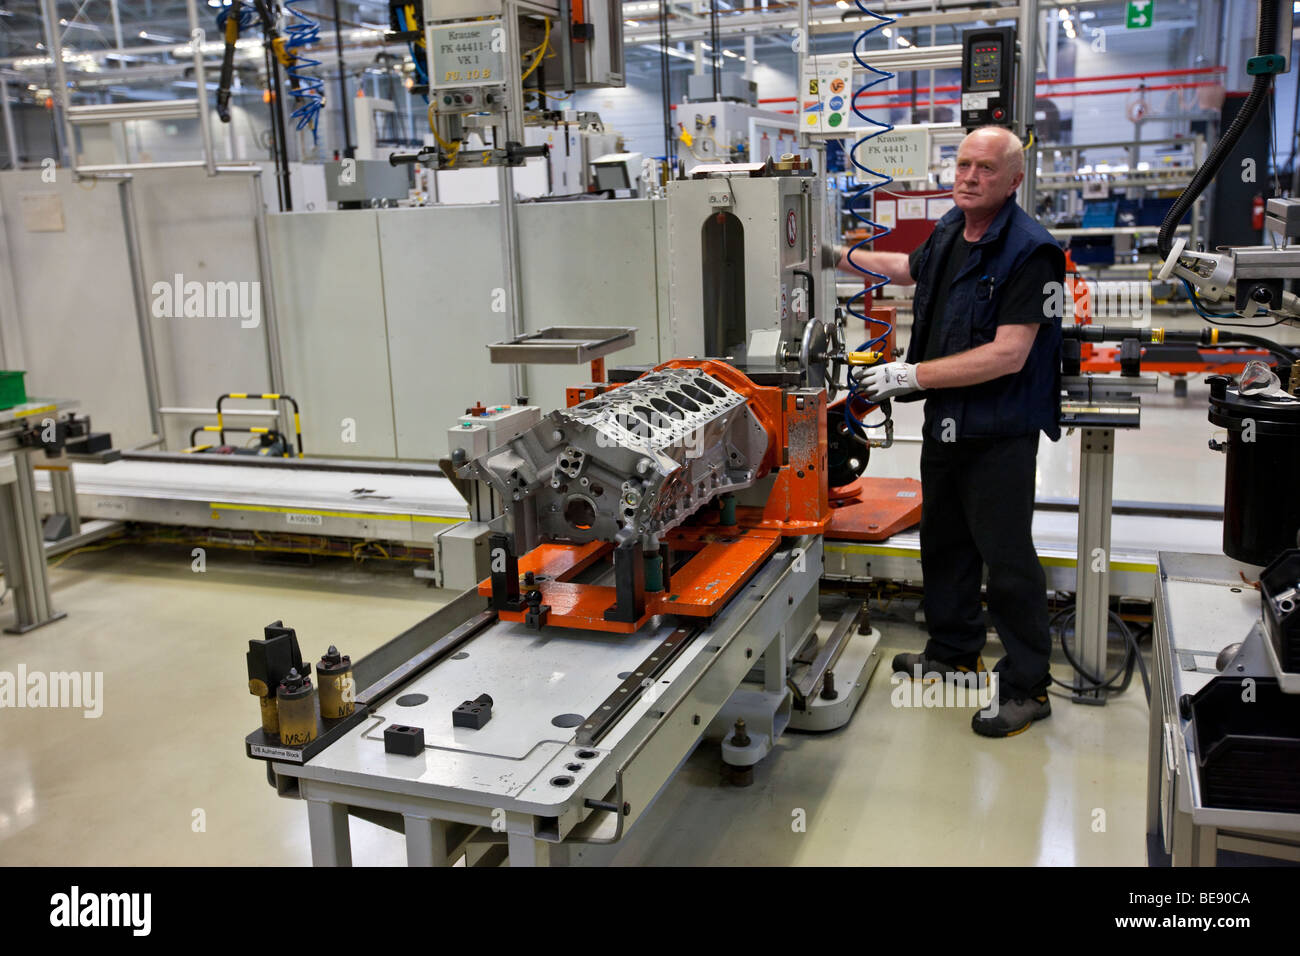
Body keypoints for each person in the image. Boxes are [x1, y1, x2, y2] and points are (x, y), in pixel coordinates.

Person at [831, 125, 1065, 738]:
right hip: (949, 424)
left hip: (1000, 431)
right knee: (945, 544)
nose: (968, 176)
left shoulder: (1032, 251)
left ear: (1014, 180)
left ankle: (1027, 686)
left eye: (985, 168)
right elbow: (907, 270)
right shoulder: (948, 231)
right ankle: (954, 653)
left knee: (1006, 558)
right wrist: (835, 258)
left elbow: (1008, 355)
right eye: (962, 164)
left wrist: (911, 373)